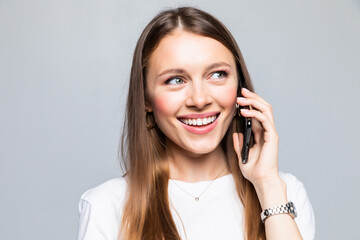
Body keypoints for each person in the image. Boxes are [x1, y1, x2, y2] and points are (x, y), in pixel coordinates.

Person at [77, 6, 315, 240]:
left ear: (239, 87)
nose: (200, 100)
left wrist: (267, 184)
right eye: (176, 80)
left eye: (218, 74)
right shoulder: (106, 206)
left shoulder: (284, 192)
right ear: (145, 98)